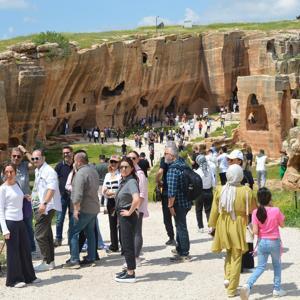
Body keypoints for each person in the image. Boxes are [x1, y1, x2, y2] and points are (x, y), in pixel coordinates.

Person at [208, 164, 256, 298]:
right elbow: (253, 208)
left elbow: (214, 210)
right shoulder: (246, 191)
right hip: (238, 224)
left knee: (229, 252)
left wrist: (212, 225)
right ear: (240, 175)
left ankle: (227, 277)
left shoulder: (220, 189)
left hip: (223, 223)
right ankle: (232, 289)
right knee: (236, 256)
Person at [240, 188, 286, 299]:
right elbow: (282, 225)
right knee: (277, 265)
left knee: (260, 267)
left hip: (261, 242)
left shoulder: (256, 212)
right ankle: (276, 289)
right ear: (269, 198)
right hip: (274, 241)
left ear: (259, 200)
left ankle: (248, 284)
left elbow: (255, 232)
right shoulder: (275, 210)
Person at [0, 163, 40, 288]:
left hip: (20, 221)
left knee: (25, 250)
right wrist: (5, 229)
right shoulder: (2, 189)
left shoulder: (17, 185)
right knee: (13, 252)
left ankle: (29, 277)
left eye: (11, 171)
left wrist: (24, 197)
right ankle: (13, 280)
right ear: (3, 173)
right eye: (6, 172)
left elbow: (16, 198)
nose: (9, 174)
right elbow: (0, 210)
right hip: (10, 223)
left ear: (16, 172)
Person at [63, 151, 100, 269]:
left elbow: (77, 194)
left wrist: (76, 210)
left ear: (78, 161)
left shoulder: (80, 174)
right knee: (90, 233)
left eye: (74, 161)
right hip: (93, 207)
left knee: (73, 232)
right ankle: (91, 257)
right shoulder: (93, 170)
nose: (74, 163)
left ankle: (74, 260)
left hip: (83, 208)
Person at [31, 149, 61, 272]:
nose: (34, 161)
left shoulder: (49, 171)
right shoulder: (38, 169)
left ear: (43, 158)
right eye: (33, 159)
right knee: (47, 234)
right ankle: (50, 261)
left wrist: (44, 203)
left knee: (39, 235)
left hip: (46, 207)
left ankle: (46, 261)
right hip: (40, 205)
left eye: (37, 158)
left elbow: (51, 188)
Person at [227, 149, 255, 272]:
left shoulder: (246, 174)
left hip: (243, 211)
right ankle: (238, 263)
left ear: (239, 161)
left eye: (232, 160)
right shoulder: (230, 172)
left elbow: (250, 192)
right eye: (229, 160)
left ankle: (247, 264)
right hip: (233, 210)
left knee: (246, 237)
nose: (229, 162)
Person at [114, 157, 141, 283]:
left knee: (127, 243)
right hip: (123, 215)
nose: (123, 169)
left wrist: (130, 211)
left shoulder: (131, 182)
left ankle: (131, 272)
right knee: (124, 243)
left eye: (126, 167)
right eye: (121, 167)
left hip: (127, 216)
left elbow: (136, 199)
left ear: (131, 168)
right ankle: (128, 268)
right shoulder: (124, 181)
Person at [6, 146, 36, 254]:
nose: (16, 158)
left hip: (25, 202)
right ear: (10, 156)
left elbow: (35, 162)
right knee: (14, 226)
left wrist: (25, 151)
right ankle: (17, 248)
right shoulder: (7, 168)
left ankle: (31, 248)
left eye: (18, 156)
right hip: (11, 203)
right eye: (14, 156)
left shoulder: (24, 166)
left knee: (27, 225)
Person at [166, 143, 192, 262]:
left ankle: (184, 253)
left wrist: (170, 205)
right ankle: (180, 248)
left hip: (178, 203)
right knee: (179, 225)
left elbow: (171, 191)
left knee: (181, 226)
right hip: (187, 201)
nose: (165, 156)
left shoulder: (172, 169)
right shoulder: (183, 164)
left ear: (172, 155)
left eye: (166, 154)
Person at [127, 151, 149, 266]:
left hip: (136, 207)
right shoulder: (129, 171)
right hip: (129, 206)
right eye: (129, 157)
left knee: (136, 232)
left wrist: (135, 208)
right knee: (131, 232)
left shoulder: (140, 174)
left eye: (133, 158)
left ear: (138, 159)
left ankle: (136, 257)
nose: (131, 159)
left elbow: (142, 194)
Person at [54, 146, 74, 247]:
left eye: (68, 152)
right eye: (64, 153)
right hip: (62, 196)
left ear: (72, 153)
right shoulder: (59, 166)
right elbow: (54, 180)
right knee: (59, 219)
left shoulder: (76, 165)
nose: (66, 154)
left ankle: (71, 238)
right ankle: (58, 238)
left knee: (72, 218)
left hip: (74, 197)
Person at [156, 147, 175, 246]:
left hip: (167, 192)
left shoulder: (164, 160)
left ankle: (172, 237)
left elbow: (159, 172)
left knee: (167, 217)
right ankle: (180, 237)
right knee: (178, 217)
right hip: (177, 191)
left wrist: (157, 181)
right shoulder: (178, 160)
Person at [102, 155, 121, 252]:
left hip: (119, 201)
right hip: (110, 201)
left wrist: (112, 192)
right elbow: (103, 189)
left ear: (119, 163)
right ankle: (114, 245)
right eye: (111, 162)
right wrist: (106, 192)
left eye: (115, 162)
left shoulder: (120, 174)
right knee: (112, 224)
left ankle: (124, 244)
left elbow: (122, 188)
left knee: (121, 224)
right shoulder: (107, 175)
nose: (113, 164)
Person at [194, 155, 215, 233]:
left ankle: (200, 227)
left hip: (199, 192)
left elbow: (196, 183)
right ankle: (210, 226)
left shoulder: (198, 171)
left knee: (198, 209)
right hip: (209, 191)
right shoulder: (210, 170)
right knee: (208, 209)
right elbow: (213, 182)